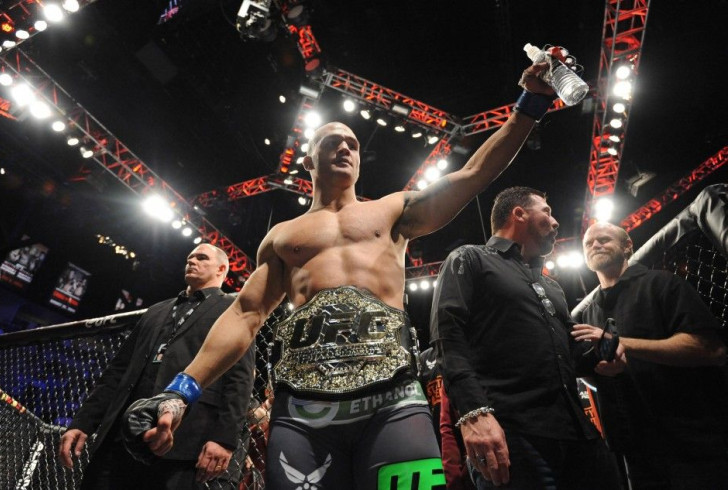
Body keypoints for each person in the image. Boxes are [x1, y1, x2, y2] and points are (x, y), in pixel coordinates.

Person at [123, 62, 561, 489]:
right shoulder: (282, 235)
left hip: (393, 396)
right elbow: (246, 314)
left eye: (352, 143)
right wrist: (181, 392)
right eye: (333, 141)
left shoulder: (391, 210)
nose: (347, 147)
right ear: (309, 161)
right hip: (302, 407)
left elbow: (474, 173)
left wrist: (530, 104)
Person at [430, 186, 623, 489]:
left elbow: (571, 357)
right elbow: (447, 336)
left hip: (579, 435)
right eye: (547, 211)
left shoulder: (552, 287)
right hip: (512, 434)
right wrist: (473, 412)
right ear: (519, 213)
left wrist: (605, 351)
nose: (556, 222)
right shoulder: (469, 258)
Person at [58, 244, 256, 489]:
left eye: (201, 257)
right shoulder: (156, 310)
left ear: (222, 269)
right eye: (190, 257)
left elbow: (240, 379)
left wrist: (223, 439)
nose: (192, 261)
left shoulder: (232, 310)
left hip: (183, 442)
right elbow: (116, 372)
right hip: (121, 436)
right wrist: (83, 422)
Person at [571, 221, 728, 489]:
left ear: (627, 246)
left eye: (605, 239)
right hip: (634, 450)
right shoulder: (589, 313)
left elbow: (711, 349)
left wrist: (622, 343)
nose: (596, 244)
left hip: (691, 443)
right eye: (589, 243)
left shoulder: (663, 283)